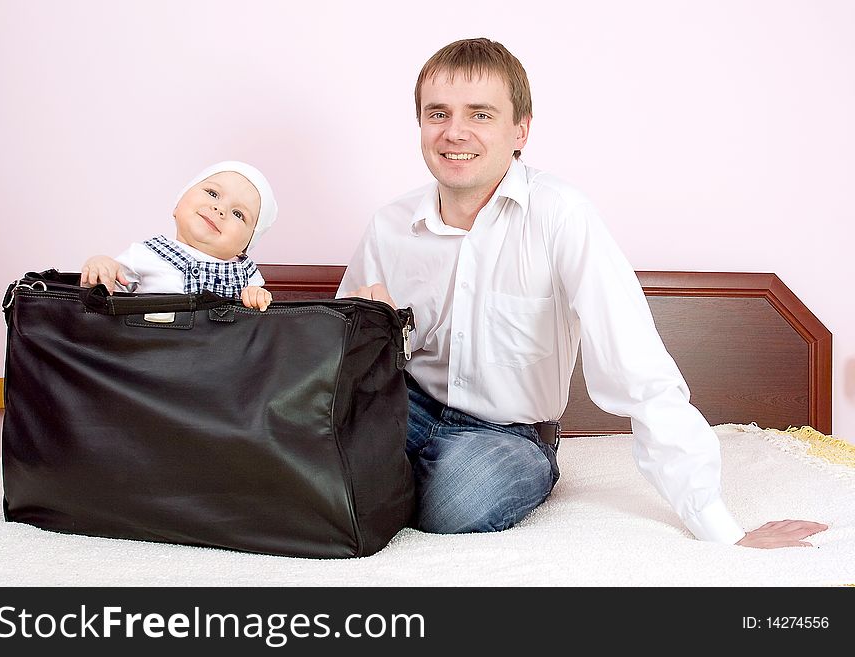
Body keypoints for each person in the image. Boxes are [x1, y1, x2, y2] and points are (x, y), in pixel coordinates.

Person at [339, 37, 827, 547]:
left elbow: (634, 361)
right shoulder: (389, 225)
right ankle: (374, 475)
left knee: (461, 499)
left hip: (504, 434)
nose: (454, 132)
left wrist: (715, 523)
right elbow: (338, 363)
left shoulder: (561, 215)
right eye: (437, 114)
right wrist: (376, 332)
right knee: (316, 444)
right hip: (406, 405)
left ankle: (382, 481)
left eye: (480, 115)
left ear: (520, 130)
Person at [80, 161, 277, 310]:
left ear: (246, 245)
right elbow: (111, 293)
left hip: (217, 357)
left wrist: (256, 296)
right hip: (154, 351)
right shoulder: (146, 254)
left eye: (238, 214)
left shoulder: (245, 273)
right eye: (213, 193)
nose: (220, 209)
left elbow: (255, 321)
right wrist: (102, 265)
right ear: (178, 205)